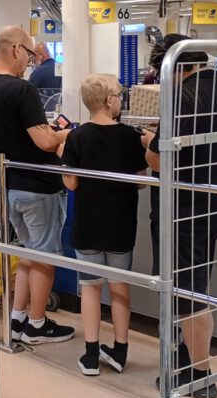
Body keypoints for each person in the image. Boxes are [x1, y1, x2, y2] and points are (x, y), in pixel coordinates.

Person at [146, 41, 217, 398]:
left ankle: (201, 375)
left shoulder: (181, 96)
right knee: (195, 283)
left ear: (176, 67)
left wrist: (148, 144)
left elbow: (159, 159)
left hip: (183, 208)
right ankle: (187, 356)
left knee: (188, 293)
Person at [62, 74, 152, 376]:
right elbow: (141, 182)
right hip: (121, 224)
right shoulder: (130, 136)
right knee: (119, 286)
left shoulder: (76, 136)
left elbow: (71, 184)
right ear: (109, 100)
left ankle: (90, 355)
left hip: (88, 224)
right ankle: (120, 351)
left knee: (89, 287)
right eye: (119, 96)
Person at [0, 26, 74, 344]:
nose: (30, 61)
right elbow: (45, 142)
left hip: (9, 184)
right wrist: (65, 133)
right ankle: (37, 325)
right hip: (38, 187)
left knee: (27, 252)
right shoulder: (21, 90)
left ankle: (18, 318)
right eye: (29, 53)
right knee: (45, 257)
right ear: (15, 49)